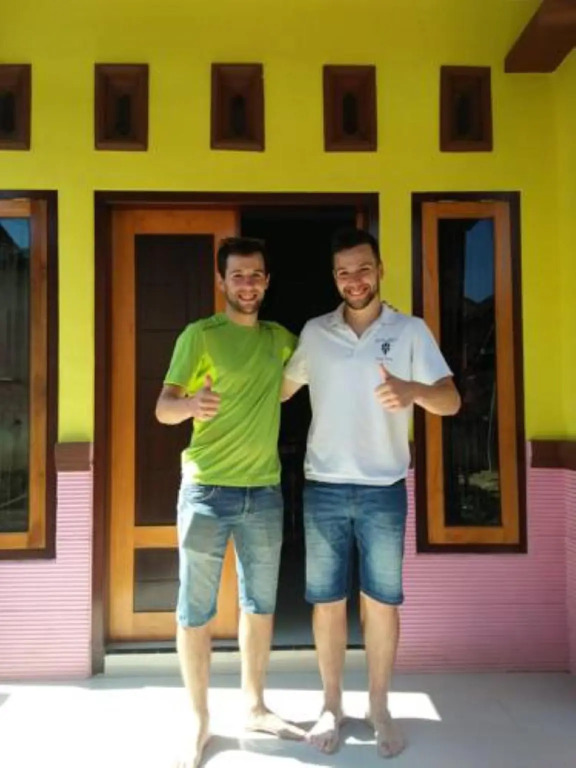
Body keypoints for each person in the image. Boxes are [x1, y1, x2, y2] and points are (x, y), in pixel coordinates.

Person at [282, 228, 461, 759]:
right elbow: (280, 389)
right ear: (334, 277)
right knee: (327, 603)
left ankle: (379, 707)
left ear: (380, 270)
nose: (354, 280)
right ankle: (331, 706)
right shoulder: (315, 332)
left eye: (363, 268)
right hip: (324, 487)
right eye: (344, 271)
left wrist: (413, 390)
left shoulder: (409, 331)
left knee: (381, 602)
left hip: (384, 488)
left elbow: (451, 401)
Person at [156, 237, 303, 768]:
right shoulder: (200, 335)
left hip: (264, 491)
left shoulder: (280, 339)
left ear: (267, 281)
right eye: (237, 275)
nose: (247, 284)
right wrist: (191, 403)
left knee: (259, 605)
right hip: (206, 491)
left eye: (256, 275)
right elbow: (163, 409)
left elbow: (319, 359)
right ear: (221, 281)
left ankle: (255, 706)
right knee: (195, 610)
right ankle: (199, 720)